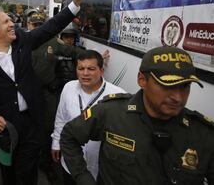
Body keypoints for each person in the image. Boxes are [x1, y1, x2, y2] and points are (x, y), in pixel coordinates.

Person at [0, 0, 85, 185]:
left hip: (31, 122)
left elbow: (50, 27)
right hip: (4, 128)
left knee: (28, 172)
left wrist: (74, 5)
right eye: (6, 22)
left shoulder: (23, 41)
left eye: (10, 20)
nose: (12, 23)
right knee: (8, 173)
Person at [60, 46, 214, 185]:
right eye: (167, 86)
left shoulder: (203, 134)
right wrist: (83, 178)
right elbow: (69, 136)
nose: (178, 97)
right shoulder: (111, 113)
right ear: (142, 80)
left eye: (185, 86)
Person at [51, 50, 126, 184]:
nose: (85, 73)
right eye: (81, 68)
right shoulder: (68, 88)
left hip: (99, 169)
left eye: (91, 69)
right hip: (71, 164)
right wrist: (56, 142)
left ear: (101, 71)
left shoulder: (117, 95)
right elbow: (61, 117)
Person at [27, 11, 84, 184]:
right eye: (34, 25)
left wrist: (93, 58)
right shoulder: (21, 43)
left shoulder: (53, 42)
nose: (37, 27)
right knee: (30, 130)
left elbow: (72, 51)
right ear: (28, 25)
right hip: (28, 95)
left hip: (49, 94)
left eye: (40, 25)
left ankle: (48, 165)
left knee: (49, 129)